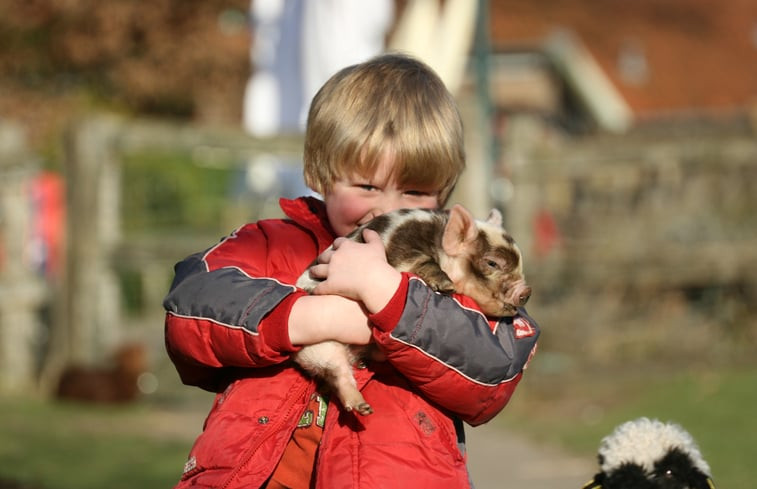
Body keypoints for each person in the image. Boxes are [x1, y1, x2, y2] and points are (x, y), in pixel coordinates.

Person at [163, 53, 539, 489]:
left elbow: (495, 368)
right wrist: (310, 317)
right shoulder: (274, 246)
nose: (389, 207)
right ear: (319, 174)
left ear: (445, 197)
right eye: (366, 186)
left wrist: (389, 298)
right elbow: (189, 311)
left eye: (415, 191)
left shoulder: (457, 274)